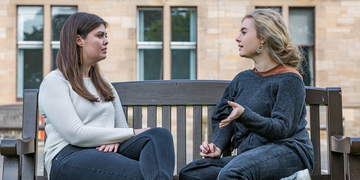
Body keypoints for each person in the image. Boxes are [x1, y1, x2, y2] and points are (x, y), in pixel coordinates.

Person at [179, 9, 314, 180]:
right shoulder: (242, 79)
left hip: (288, 152)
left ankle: (293, 176)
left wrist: (244, 115)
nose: (237, 38)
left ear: (263, 37)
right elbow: (223, 117)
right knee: (192, 173)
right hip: (250, 157)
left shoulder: (290, 80)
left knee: (231, 174)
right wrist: (218, 146)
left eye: (244, 32)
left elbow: (281, 129)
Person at [38, 12, 175, 180]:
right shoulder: (55, 82)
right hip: (68, 157)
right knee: (143, 174)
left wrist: (116, 138)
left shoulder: (103, 83)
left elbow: (120, 130)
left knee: (160, 135)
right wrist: (132, 132)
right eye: (100, 35)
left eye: (106, 35)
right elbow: (75, 134)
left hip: (106, 152)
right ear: (79, 40)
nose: (106, 41)